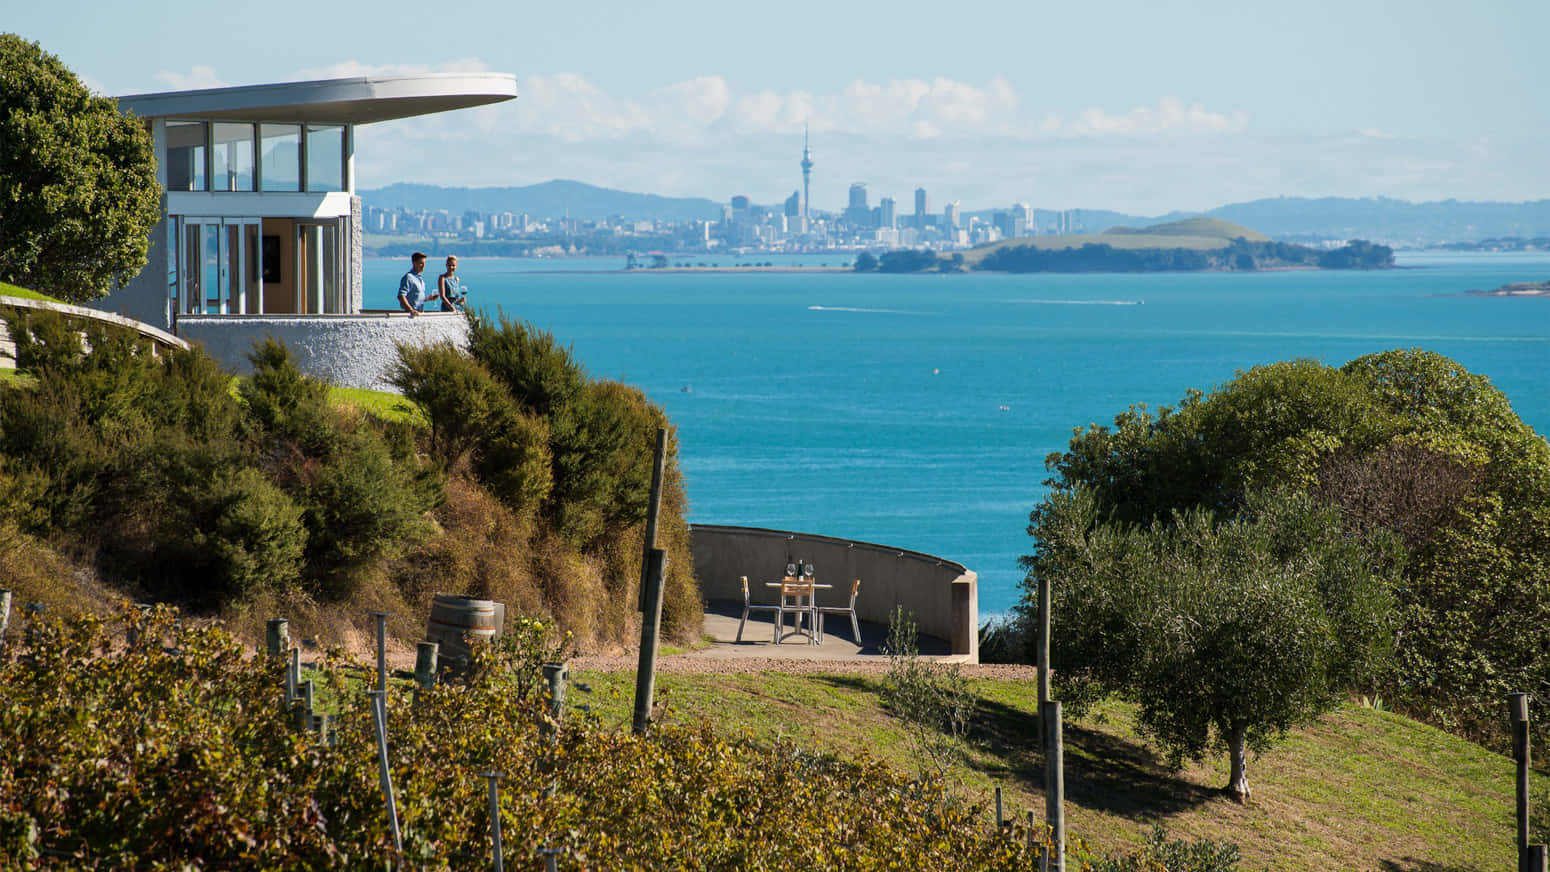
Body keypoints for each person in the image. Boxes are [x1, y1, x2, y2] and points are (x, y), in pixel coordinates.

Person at [396, 252, 438, 317]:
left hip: (419, 313)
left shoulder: (420, 279)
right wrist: (411, 310)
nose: (423, 266)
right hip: (411, 315)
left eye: (424, 263)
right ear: (414, 263)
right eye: (421, 263)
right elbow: (401, 296)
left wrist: (429, 298)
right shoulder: (408, 277)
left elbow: (416, 298)